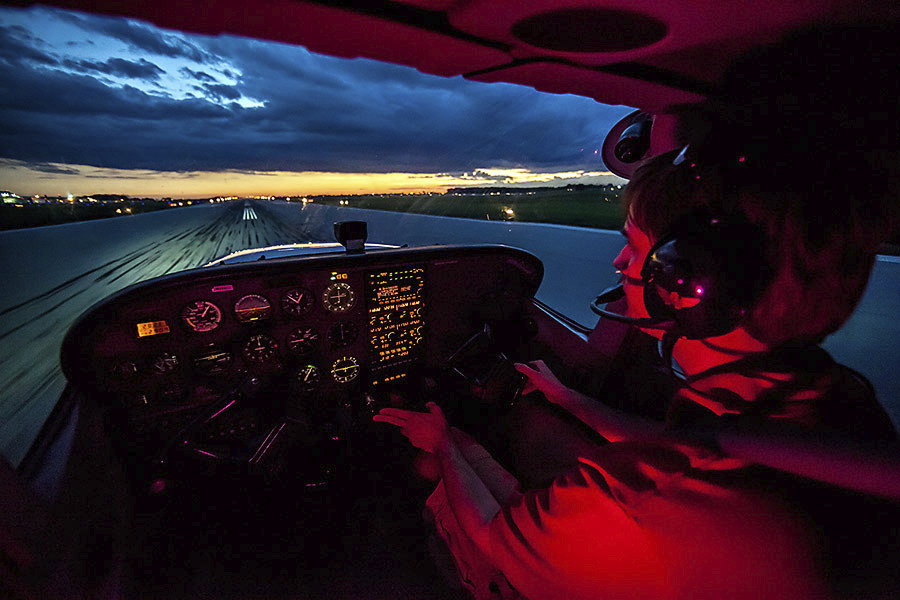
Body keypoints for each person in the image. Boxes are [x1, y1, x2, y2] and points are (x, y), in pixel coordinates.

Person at [374, 26, 900, 600]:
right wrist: (567, 398)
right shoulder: (837, 402)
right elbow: (701, 440)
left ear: (688, 279)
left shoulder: (639, 501)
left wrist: (443, 442)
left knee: (434, 487)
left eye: (633, 244)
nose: (620, 261)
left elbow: (492, 535)